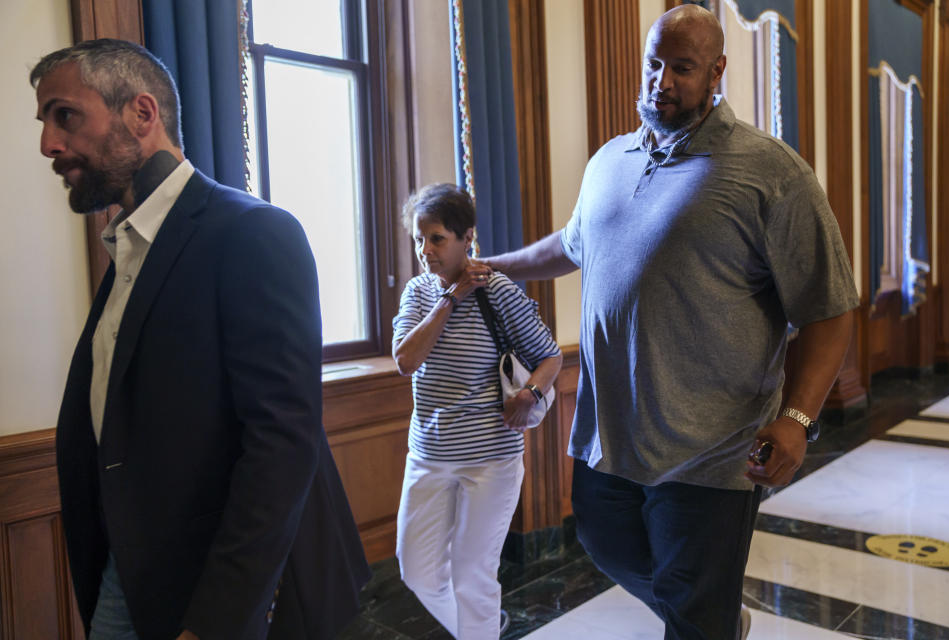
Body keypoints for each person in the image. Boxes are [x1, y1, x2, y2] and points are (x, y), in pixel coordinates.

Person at [483, 5, 859, 640]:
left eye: (682, 68)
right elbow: (570, 245)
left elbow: (830, 307)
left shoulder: (772, 172)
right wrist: (494, 266)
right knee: (605, 545)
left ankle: (704, 619)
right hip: (610, 436)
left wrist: (797, 420)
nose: (662, 80)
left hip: (712, 450)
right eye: (654, 63)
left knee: (692, 605)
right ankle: (710, 618)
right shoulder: (610, 161)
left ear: (717, 72)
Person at [32, 39, 370, 640]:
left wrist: (216, 622)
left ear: (142, 113)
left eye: (66, 116)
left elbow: (281, 444)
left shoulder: (254, 234)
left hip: (216, 596)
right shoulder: (129, 249)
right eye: (46, 123)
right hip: (129, 577)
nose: (49, 145)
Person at [391, 184, 562, 639]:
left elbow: (551, 357)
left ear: (467, 236)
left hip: (491, 459)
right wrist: (450, 298)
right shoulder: (418, 293)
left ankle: (479, 631)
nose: (425, 250)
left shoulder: (498, 291)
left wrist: (530, 393)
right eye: (419, 239)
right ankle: (477, 631)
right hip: (428, 455)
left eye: (436, 238)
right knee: (418, 573)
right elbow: (406, 360)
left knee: (473, 577)